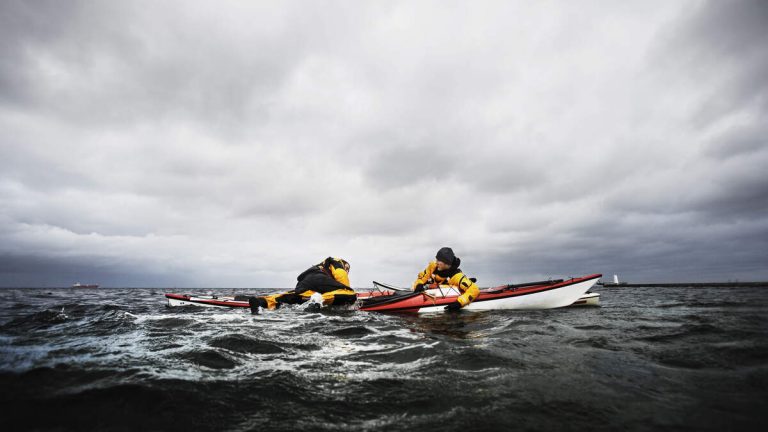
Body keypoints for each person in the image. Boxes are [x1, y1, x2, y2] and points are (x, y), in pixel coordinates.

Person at [249, 257, 356, 313]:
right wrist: (348, 292)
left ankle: (261, 301)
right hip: (319, 278)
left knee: (295, 296)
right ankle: (318, 301)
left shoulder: (322, 265)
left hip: (304, 282)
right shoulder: (338, 264)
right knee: (350, 294)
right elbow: (345, 287)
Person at [412, 247, 479, 312]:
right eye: (437, 259)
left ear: (447, 263)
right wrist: (419, 284)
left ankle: (466, 282)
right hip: (432, 289)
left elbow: (474, 290)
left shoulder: (457, 276)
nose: (436, 262)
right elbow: (422, 277)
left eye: (439, 260)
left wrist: (459, 303)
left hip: (446, 291)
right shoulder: (433, 266)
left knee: (457, 286)